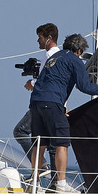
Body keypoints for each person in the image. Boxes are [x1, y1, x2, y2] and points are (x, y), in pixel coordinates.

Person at [26, 29, 98, 192]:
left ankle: (34, 184)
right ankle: (61, 184)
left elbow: (50, 81)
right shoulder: (74, 60)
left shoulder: (54, 58)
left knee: (40, 143)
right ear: (79, 50)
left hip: (36, 102)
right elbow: (84, 86)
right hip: (52, 103)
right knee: (62, 142)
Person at [14, 23, 64, 170]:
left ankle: (40, 165)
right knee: (51, 144)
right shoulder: (61, 56)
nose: (38, 41)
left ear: (48, 38)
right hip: (57, 104)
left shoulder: (49, 55)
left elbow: (46, 79)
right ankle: (55, 181)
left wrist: (32, 82)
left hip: (44, 103)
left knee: (20, 131)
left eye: (40, 37)